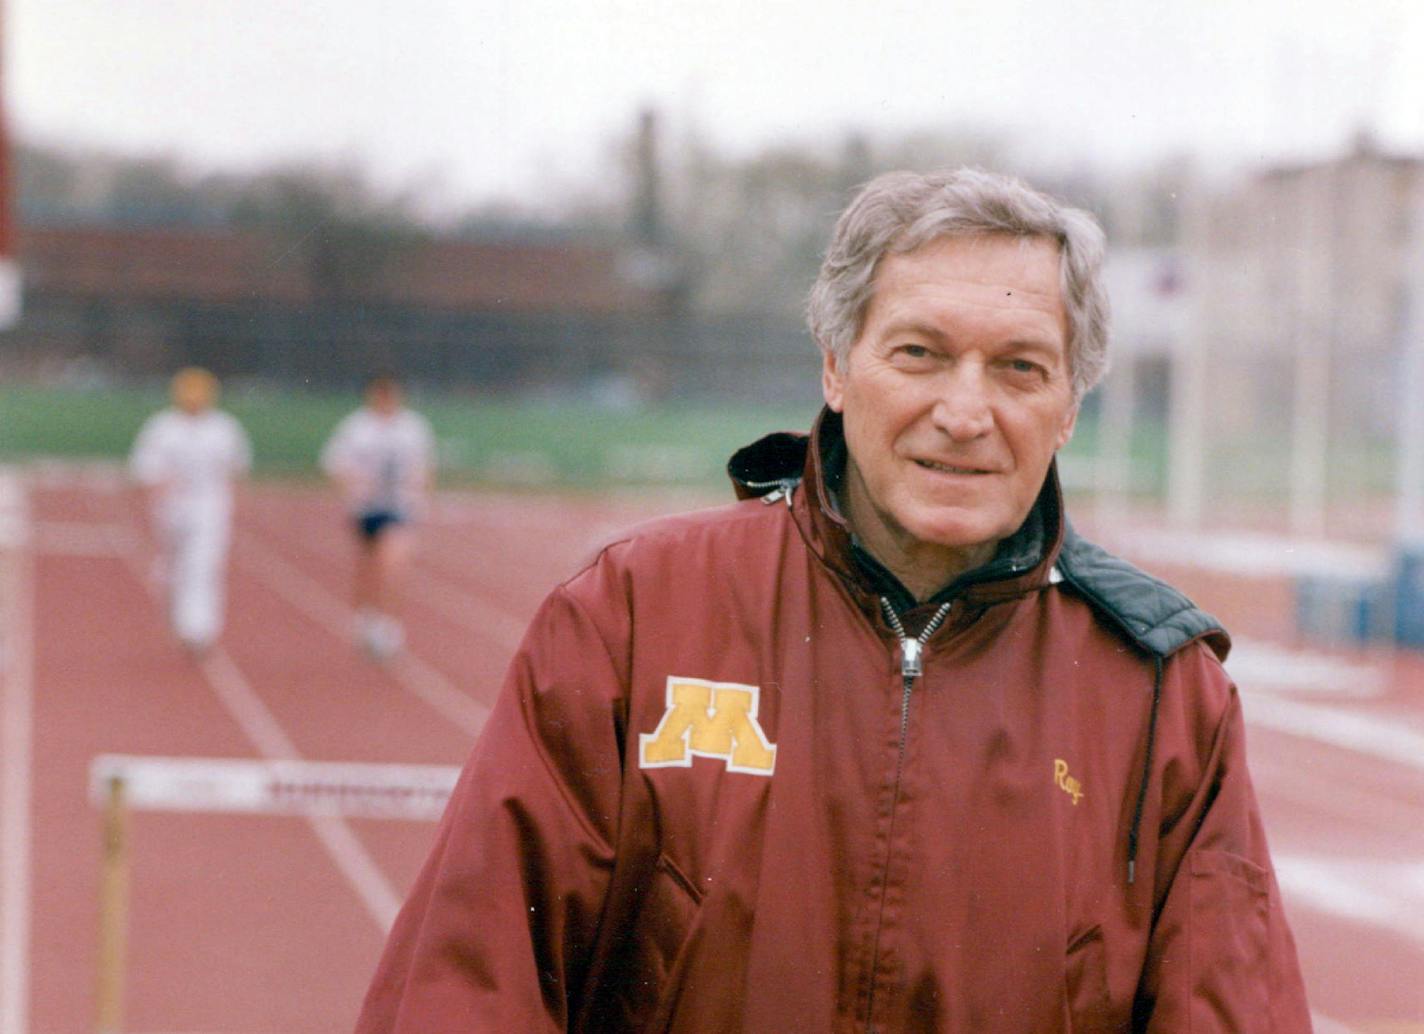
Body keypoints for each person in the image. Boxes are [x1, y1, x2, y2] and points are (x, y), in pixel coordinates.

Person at [356, 170, 1311, 1032]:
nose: (967, 412)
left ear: (1069, 404)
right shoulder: (636, 614)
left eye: (1020, 367)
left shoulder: (1165, 699)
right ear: (836, 368)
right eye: (919, 353)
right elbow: (464, 980)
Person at [129, 366, 252, 653]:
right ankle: (179, 613)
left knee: (203, 564)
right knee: (173, 567)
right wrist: (158, 493)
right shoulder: (162, 427)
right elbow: (145, 471)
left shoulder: (224, 428)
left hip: (210, 506)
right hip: (171, 507)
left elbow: (237, 468)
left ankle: (198, 629)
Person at [320, 374, 434, 659]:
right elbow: (334, 464)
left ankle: (388, 626)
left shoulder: (413, 428)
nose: (385, 400)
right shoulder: (356, 428)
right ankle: (366, 620)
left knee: (392, 564)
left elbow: (424, 467)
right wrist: (353, 488)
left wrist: (419, 497)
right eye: (380, 394)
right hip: (365, 509)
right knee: (368, 568)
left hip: (399, 509)